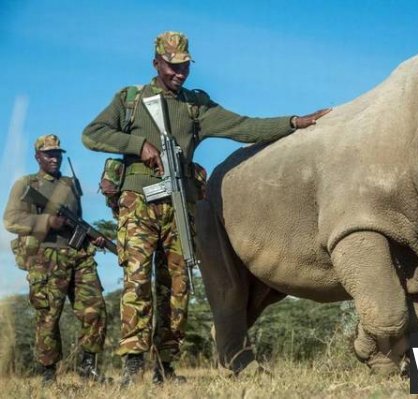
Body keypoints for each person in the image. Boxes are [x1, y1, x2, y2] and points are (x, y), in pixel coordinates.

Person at [81, 31, 330, 385]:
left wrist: (292, 123)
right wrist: (139, 145)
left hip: (181, 204)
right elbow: (92, 134)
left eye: (184, 66)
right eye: (172, 66)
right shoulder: (130, 100)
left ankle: (165, 367)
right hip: (138, 203)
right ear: (156, 63)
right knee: (137, 281)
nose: (179, 73)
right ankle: (132, 365)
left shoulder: (195, 105)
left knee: (178, 287)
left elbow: (243, 127)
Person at [3, 134, 110, 384]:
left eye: (58, 153)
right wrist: (46, 221)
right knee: (49, 316)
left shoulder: (70, 183)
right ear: (37, 156)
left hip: (79, 255)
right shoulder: (26, 184)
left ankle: (88, 368)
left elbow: (77, 220)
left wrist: (92, 236)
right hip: (46, 257)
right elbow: (10, 220)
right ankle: (49, 374)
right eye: (48, 153)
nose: (54, 157)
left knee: (95, 311)